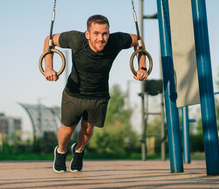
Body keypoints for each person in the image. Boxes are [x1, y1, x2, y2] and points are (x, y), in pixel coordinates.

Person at [43, 14, 148, 172]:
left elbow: (138, 40)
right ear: (87, 34)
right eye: (96, 34)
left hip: (99, 95)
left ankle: (78, 151)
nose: (101, 38)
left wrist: (142, 67)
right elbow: (49, 40)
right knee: (68, 128)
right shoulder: (75, 39)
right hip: (74, 93)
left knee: (87, 129)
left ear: (109, 33)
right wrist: (49, 67)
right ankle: (61, 151)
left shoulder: (116, 40)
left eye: (105, 33)